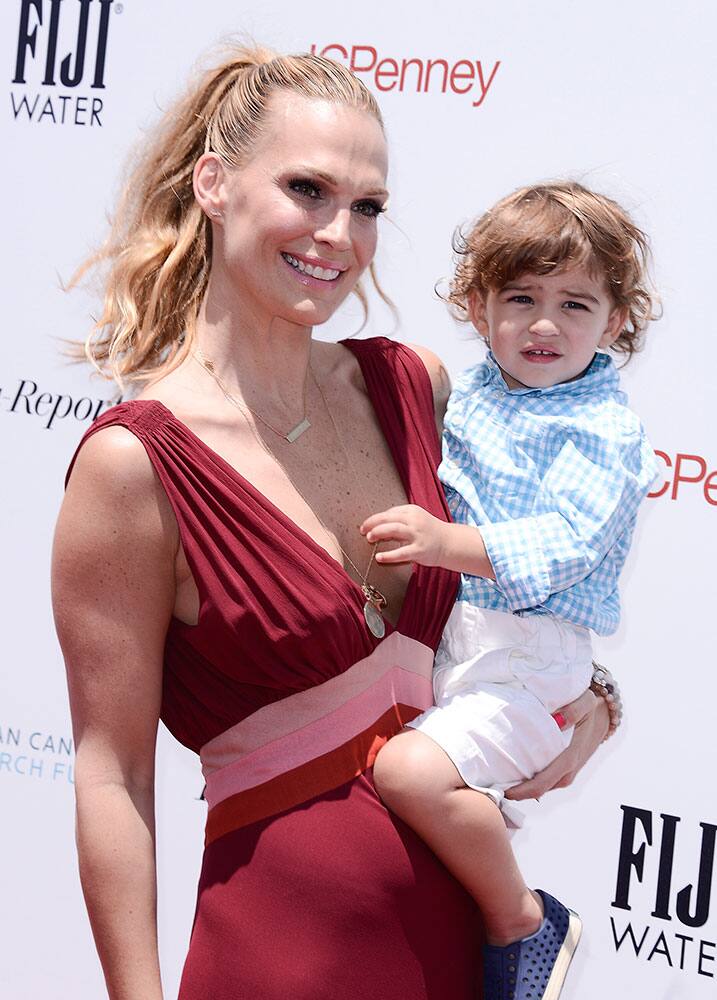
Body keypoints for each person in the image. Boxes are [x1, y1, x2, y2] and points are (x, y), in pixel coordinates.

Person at [52, 48, 611, 1000]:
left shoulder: (416, 387)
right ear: (214, 184)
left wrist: (593, 698)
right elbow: (113, 779)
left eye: (367, 207)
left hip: (463, 956)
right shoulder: (133, 465)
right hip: (279, 962)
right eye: (307, 189)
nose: (337, 234)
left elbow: (535, 569)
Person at [364, 181, 658, 1000]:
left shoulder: (602, 425)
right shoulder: (472, 391)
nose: (542, 325)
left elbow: (567, 543)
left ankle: (521, 922)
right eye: (519, 298)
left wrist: (443, 543)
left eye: (573, 304)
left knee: (411, 777)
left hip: (532, 661)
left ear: (617, 321)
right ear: (474, 303)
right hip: (463, 645)